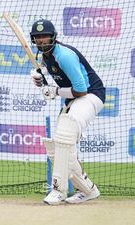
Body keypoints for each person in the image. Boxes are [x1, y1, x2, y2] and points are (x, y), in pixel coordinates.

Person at [29, 19, 105, 204]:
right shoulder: (46, 55)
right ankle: (88, 190)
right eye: (38, 37)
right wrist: (41, 75)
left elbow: (81, 89)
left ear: (53, 37)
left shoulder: (64, 55)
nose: (41, 41)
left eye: (45, 36)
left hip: (90, 95)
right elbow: (53, 69)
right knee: (59, 147)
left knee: (65, 132)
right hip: (74, 99)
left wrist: (55, 91)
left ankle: (58, 191)